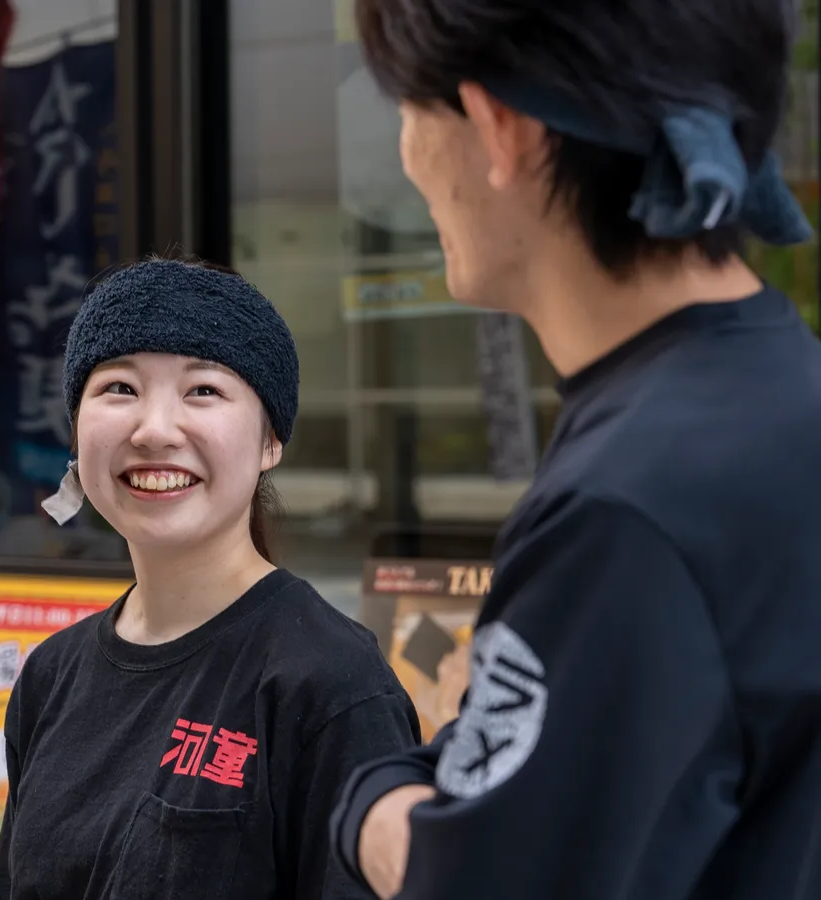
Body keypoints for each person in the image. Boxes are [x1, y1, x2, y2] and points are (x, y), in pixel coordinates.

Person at [330, 1, 821, 898]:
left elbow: (473, 873)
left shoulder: (626, 508)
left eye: (407, 111)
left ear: (499, 127)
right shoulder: (782, 394)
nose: (406, 157)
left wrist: (372, 802)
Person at [0, 257, 422, 899]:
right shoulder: (51, 676)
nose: (155, 430)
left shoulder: (331, 681)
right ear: (76, 432)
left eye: (204, 391)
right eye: (119, 389)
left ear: (272, 440)